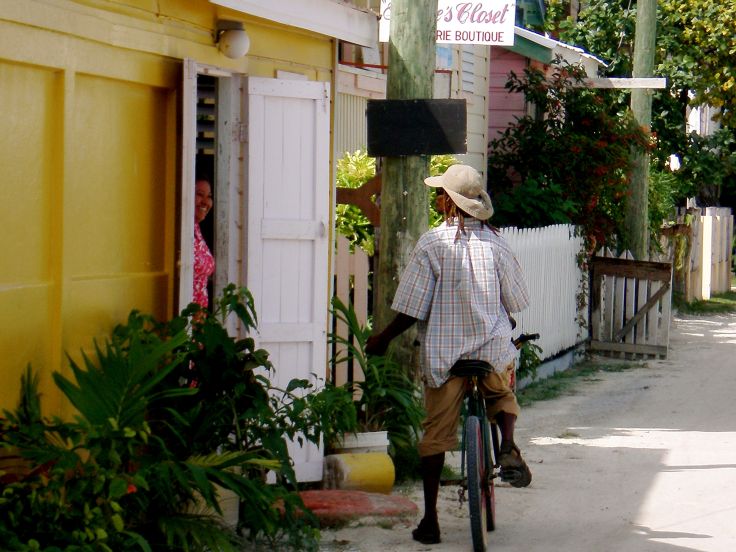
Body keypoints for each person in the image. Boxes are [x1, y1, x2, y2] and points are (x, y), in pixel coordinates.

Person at [365, 164, 532, 545]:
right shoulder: (498, 243)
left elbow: (411, 308)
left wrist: (384, 338)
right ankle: (506, 443)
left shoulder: (432, 243)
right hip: (489, 351)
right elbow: (518, 302)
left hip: (445, 356)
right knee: (503, 392)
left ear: (448, 204)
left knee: (435, 436)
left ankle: (430, 521)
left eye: (441, 194)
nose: (438, 199)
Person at [193, 177, 215, 309]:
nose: (206, 202)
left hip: (198, 321)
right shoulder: (181, 230)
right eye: (200, 194)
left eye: (209, 196)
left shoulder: (196, 229)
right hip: (185, 319)